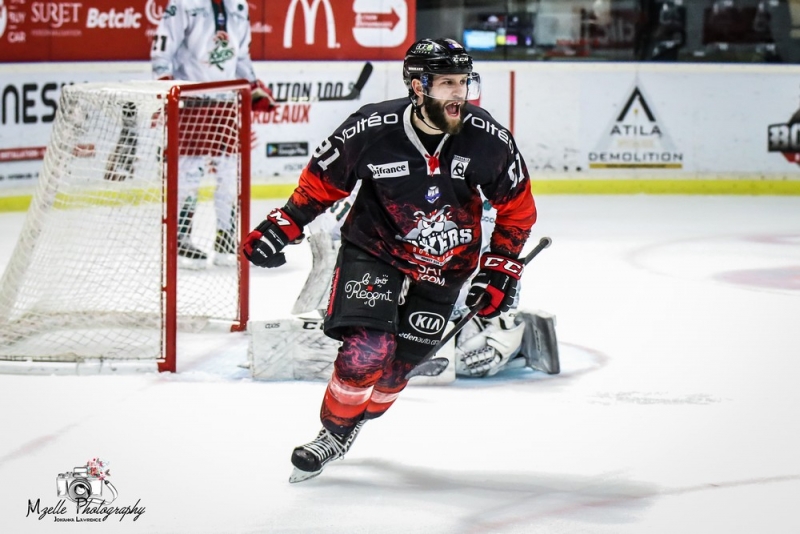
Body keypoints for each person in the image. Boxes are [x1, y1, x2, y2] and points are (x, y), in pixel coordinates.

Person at [242, 38, 537, 483]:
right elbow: (321, 184)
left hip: (447, 261)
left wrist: (501, 268)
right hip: (375, 248)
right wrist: (284, 224)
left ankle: (358, 420)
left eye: (464, 82)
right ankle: (334, 434)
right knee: (366, 352)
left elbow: (516, 209)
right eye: (447, 84)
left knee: (399, 368)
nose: (460, 94)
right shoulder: (371, 130)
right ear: (418, 86)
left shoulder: (488, 139)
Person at [151, 0, 276, 268]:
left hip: (227, 101)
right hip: (190, 99)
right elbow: (162, 52)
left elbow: (241, 57)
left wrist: (254, 88)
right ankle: (181, 240)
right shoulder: (183, 3)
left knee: (230, 173)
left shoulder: (238, 6)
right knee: (189, 173)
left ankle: (225, 238)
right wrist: (166, 86)